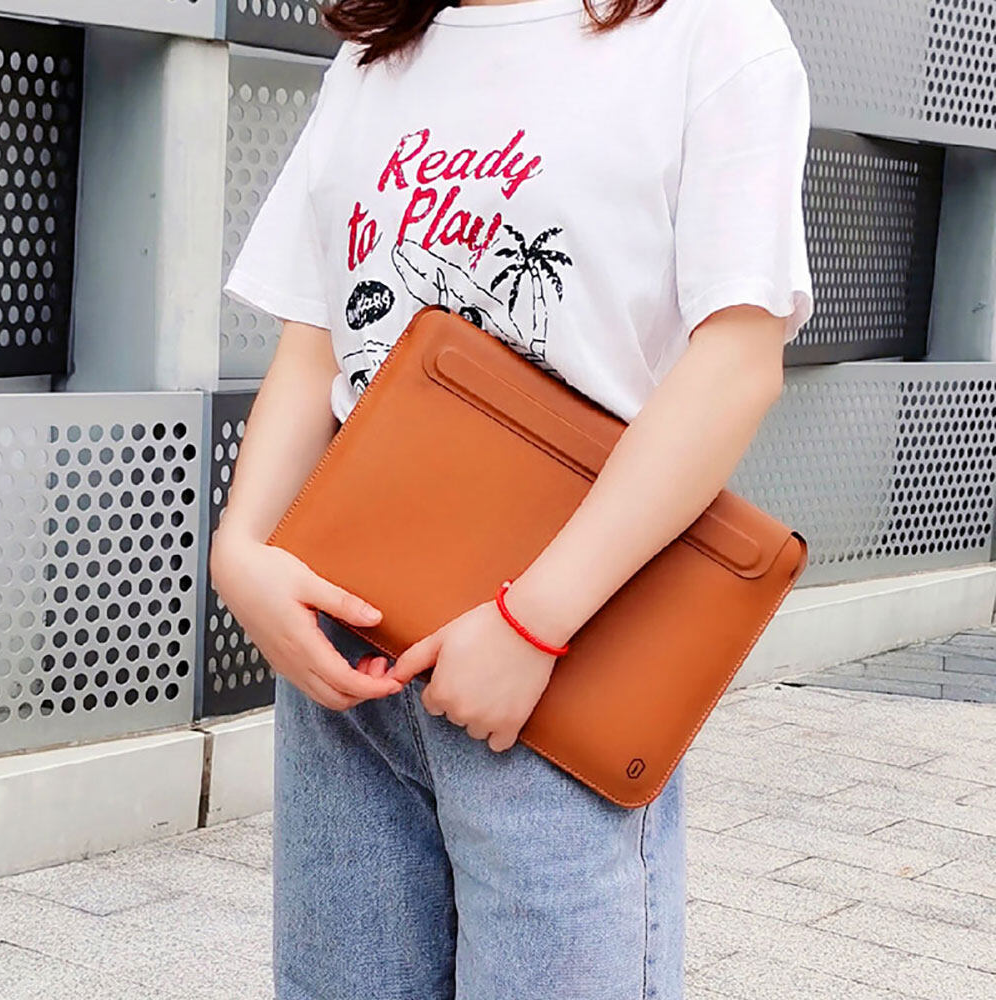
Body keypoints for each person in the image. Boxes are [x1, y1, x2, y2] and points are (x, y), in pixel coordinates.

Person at [212, 0, 814, 995]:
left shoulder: (710, 33)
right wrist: (240, 551)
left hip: (558, 652)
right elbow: (316, 339)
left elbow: (737, 362)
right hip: (344, 648)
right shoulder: (376, 54)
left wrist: (533, 622)